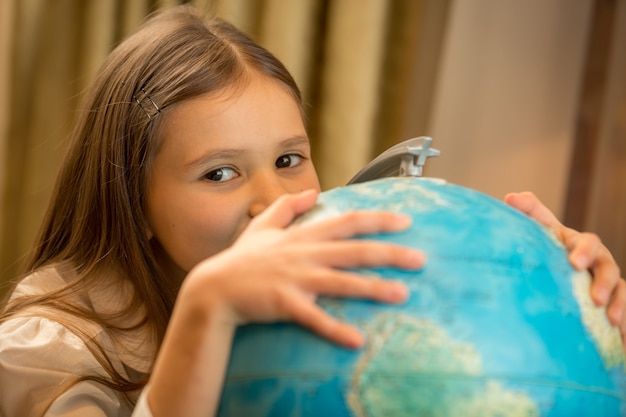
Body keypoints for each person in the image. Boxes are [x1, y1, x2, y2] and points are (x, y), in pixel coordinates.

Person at [0, 5, 623, 417]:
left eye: (290, 160)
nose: (274, 201)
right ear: (132, 201)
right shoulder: (43, 352)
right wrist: (205, 314)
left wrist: (561, 302)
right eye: (220, 173)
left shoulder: (315, 286)